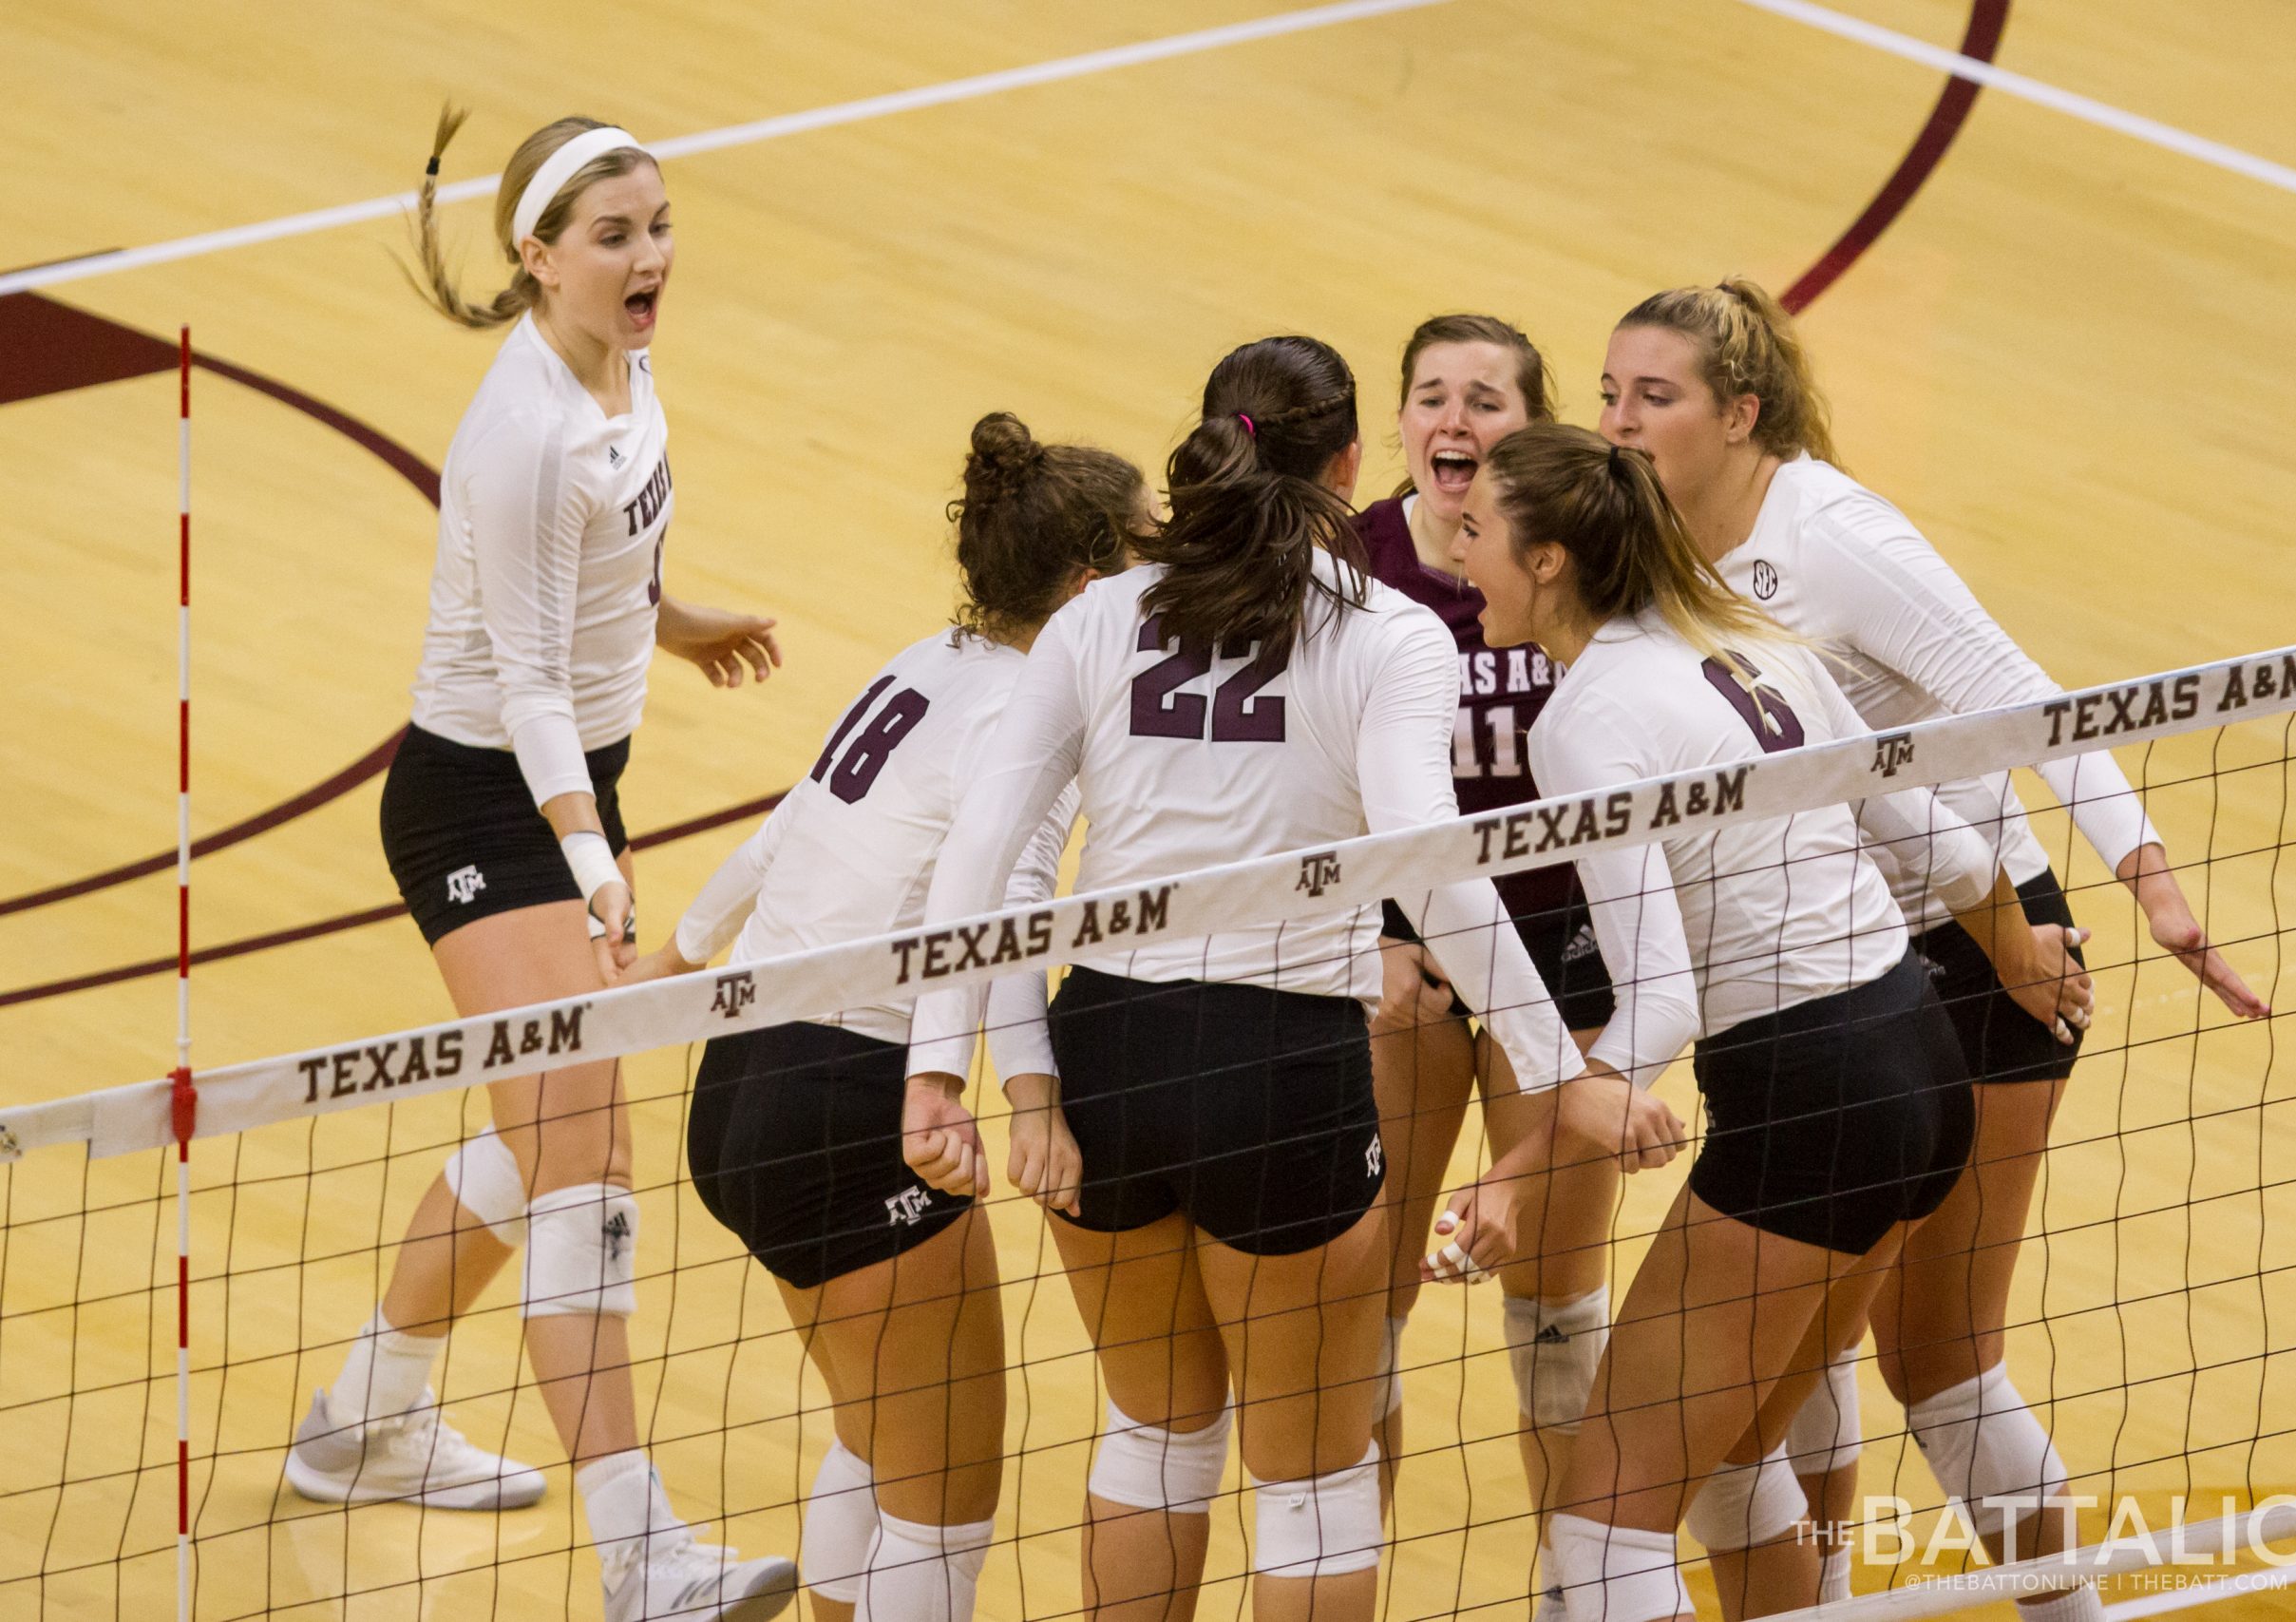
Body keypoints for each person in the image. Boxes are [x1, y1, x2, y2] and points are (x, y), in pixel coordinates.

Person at [901, 336, 1678, 1622]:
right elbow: (1433, 872)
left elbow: (982, 859)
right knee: (1310, 1478)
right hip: (1281, 1070)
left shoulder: (1098, 616)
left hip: (1109, 1054)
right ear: (1352, 464)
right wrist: (1561, 1074)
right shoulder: (1393, 633)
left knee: (1153, 1438)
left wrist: (951, 1071)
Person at [1599, 279, 2268, 1613]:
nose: (1619, 421)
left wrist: (2148, 874)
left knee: (1939, 1358)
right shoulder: (1653, 538)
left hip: (1982, 953)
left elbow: (2028, 700)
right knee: (1801, 1359)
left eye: (1653, 396)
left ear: (1741, 412)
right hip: (1835, 978)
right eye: (1611, 390)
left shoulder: (1838, 537)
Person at [1443, 423, 2091, 1622]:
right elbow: (1942, 845)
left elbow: (1664, 1001)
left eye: (1475, 529)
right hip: (1919, 1059)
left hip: (1808, 1100)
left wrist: (1521, 1168)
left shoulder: (1582, 722)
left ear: (1548, 561)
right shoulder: (1750, 637)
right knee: (1737, 1461)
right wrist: (2017, 948)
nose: (1450, 549)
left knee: (1601, 1536)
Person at [281, 107, 793, 1622]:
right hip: (481, 807)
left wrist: (676, 618)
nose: (652, 259)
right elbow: (519, 683)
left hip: (574, 787)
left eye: (659, 226)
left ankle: (363, 1417)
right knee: (590, 1155)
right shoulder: (520, 434)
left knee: (540, 1128)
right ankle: (646, 1558)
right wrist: (586, 852)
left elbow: (608, 554)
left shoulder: (621, 361)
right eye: (616, 237)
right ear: (538, 257)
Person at [620, 413, 1142, 1622]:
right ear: (1081, 588)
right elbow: (1003, 920)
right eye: (1138, 567)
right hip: (856, 1101)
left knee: (875, 1438)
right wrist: (1014, 1095)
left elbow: (782, 824)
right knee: (941, 1507)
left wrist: (678, 954)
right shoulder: (1030, 715)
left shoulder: (926, 659)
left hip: (743, 1087)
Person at [1353, 316, 1621, 1584]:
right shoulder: (1347, 568)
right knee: (1360, 1313)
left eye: (1486, 398)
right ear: (1399, 423)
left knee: (1559, 1318)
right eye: (1430, 396)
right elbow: (1301, 774)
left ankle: (1581, 1594)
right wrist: (1366, 938)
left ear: (1534, 423)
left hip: (1558, 956)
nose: (1454, 420)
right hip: (1398, 964)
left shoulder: (1572, 560)